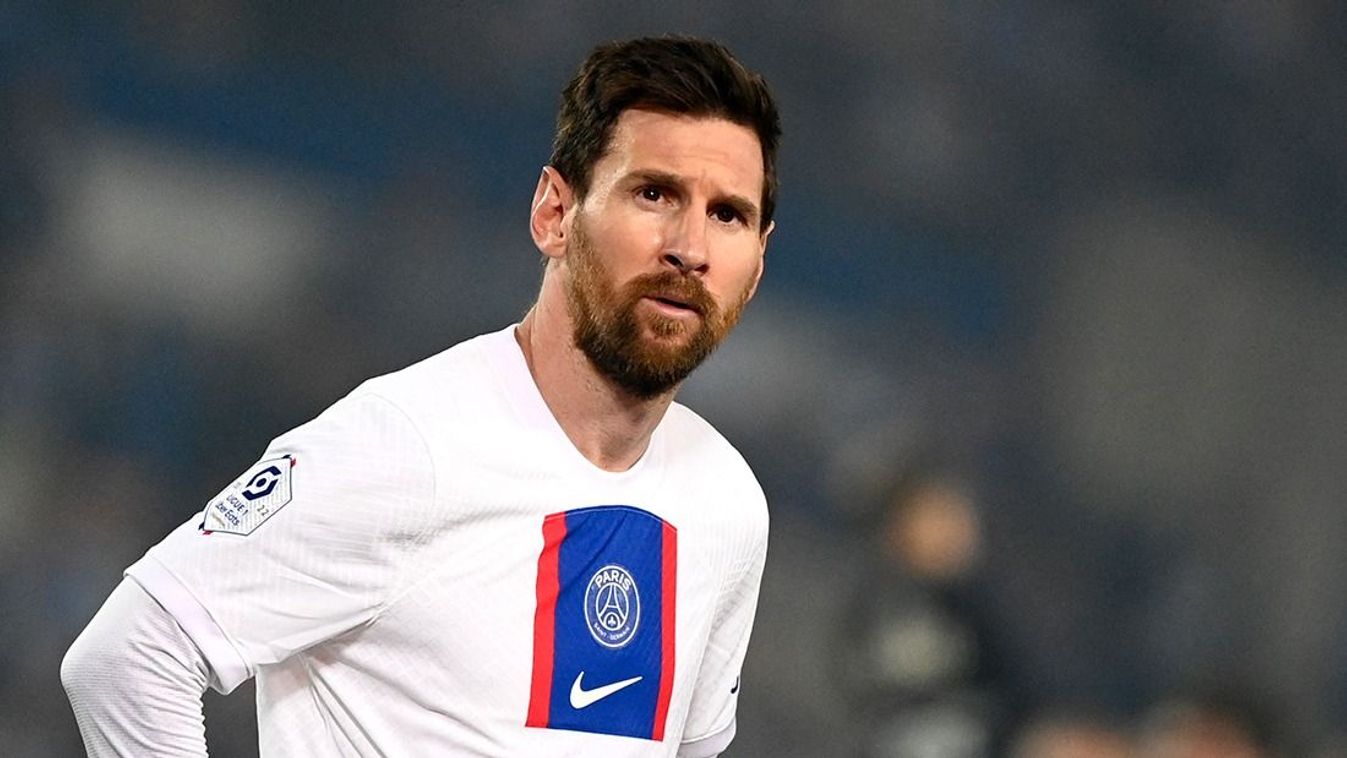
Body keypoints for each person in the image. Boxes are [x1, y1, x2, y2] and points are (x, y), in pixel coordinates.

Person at [61, 35, 780, 757]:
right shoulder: (407, 446)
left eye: (728, 214)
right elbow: (128, 658)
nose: (689, 246)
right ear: (554, 215)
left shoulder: (725, 502)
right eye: (653, 193)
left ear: (754, 266)